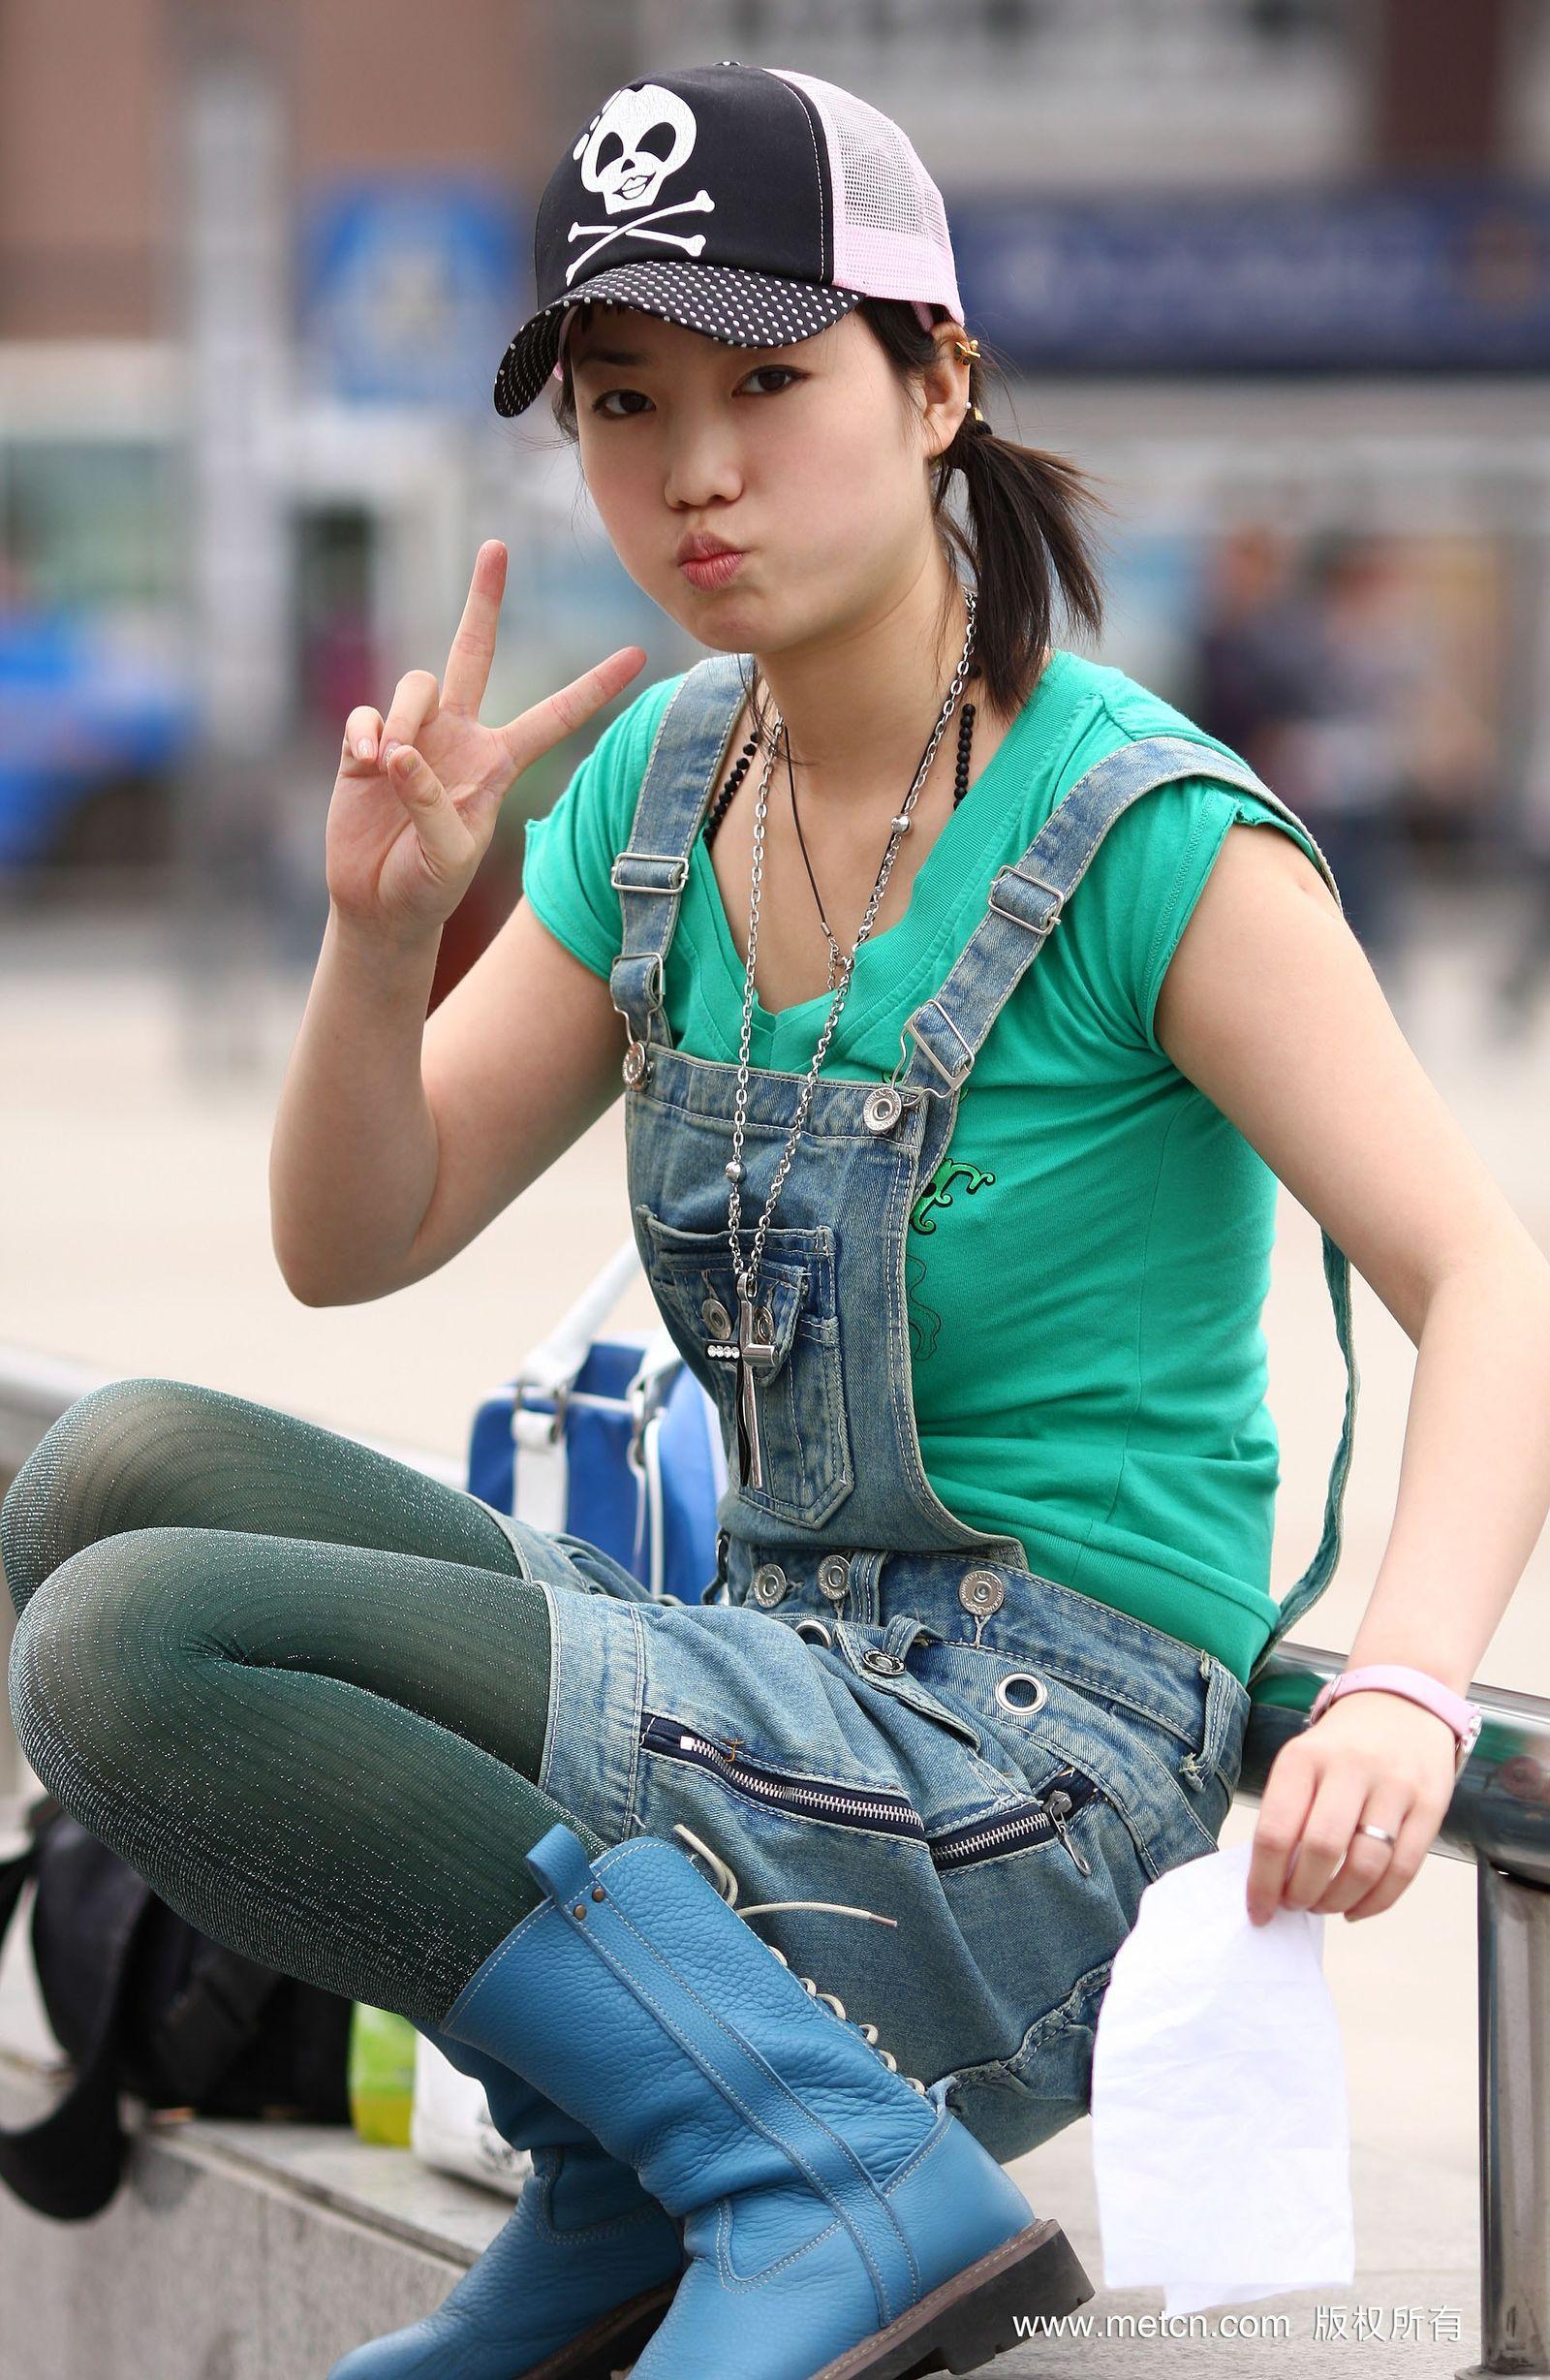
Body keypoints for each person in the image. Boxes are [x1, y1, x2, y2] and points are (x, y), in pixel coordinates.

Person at [4, 59, 1542, 2380]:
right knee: (104, 1484)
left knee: (128, 1648)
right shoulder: (657, 782)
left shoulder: (1145, 835)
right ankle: (647, 2170)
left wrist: (1406, 1687)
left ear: (937, 384)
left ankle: (812, 2170)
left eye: (766, 383)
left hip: (1031, 1788)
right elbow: (357, 1234)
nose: (694, 471)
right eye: (625, 405)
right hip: (773, 1681)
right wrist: (374, 936)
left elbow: (1486, 1271)